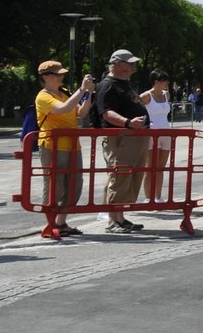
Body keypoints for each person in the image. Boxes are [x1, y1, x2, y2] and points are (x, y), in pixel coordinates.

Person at [33, 60, 93, 237]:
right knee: (55, 184)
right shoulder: (43, 96)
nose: (61, 77)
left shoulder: (65, 93)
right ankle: (51, 223)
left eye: (61, 74)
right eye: (57, 74)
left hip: (73, 145)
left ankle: (61, 222)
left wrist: (88, 92)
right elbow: (62, 109)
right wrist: (81, 90)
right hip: (52, 145)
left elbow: (81, 113)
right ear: (45, 77)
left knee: (74, 183)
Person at [97, 50, 150, 233]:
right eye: (130, 63)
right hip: (122, 139)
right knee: (120, 177)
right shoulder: (107, 85)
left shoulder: (124, 84)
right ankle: (113, 221)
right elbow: (107, 113)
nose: (133, 67)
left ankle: (120, 218)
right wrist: (128, 123)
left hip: (135, 138)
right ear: (118, 64)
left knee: (131, 178)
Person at [140, 69, 174, 202]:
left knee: (161, 167)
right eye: (163, 80)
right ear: (156, 82)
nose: (166, 83)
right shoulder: (146, 96)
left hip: (166, 131)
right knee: (150, 166)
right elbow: (135, 109)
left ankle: (158, 196)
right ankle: (148, 197)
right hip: (152, 132)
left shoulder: (166, 94)